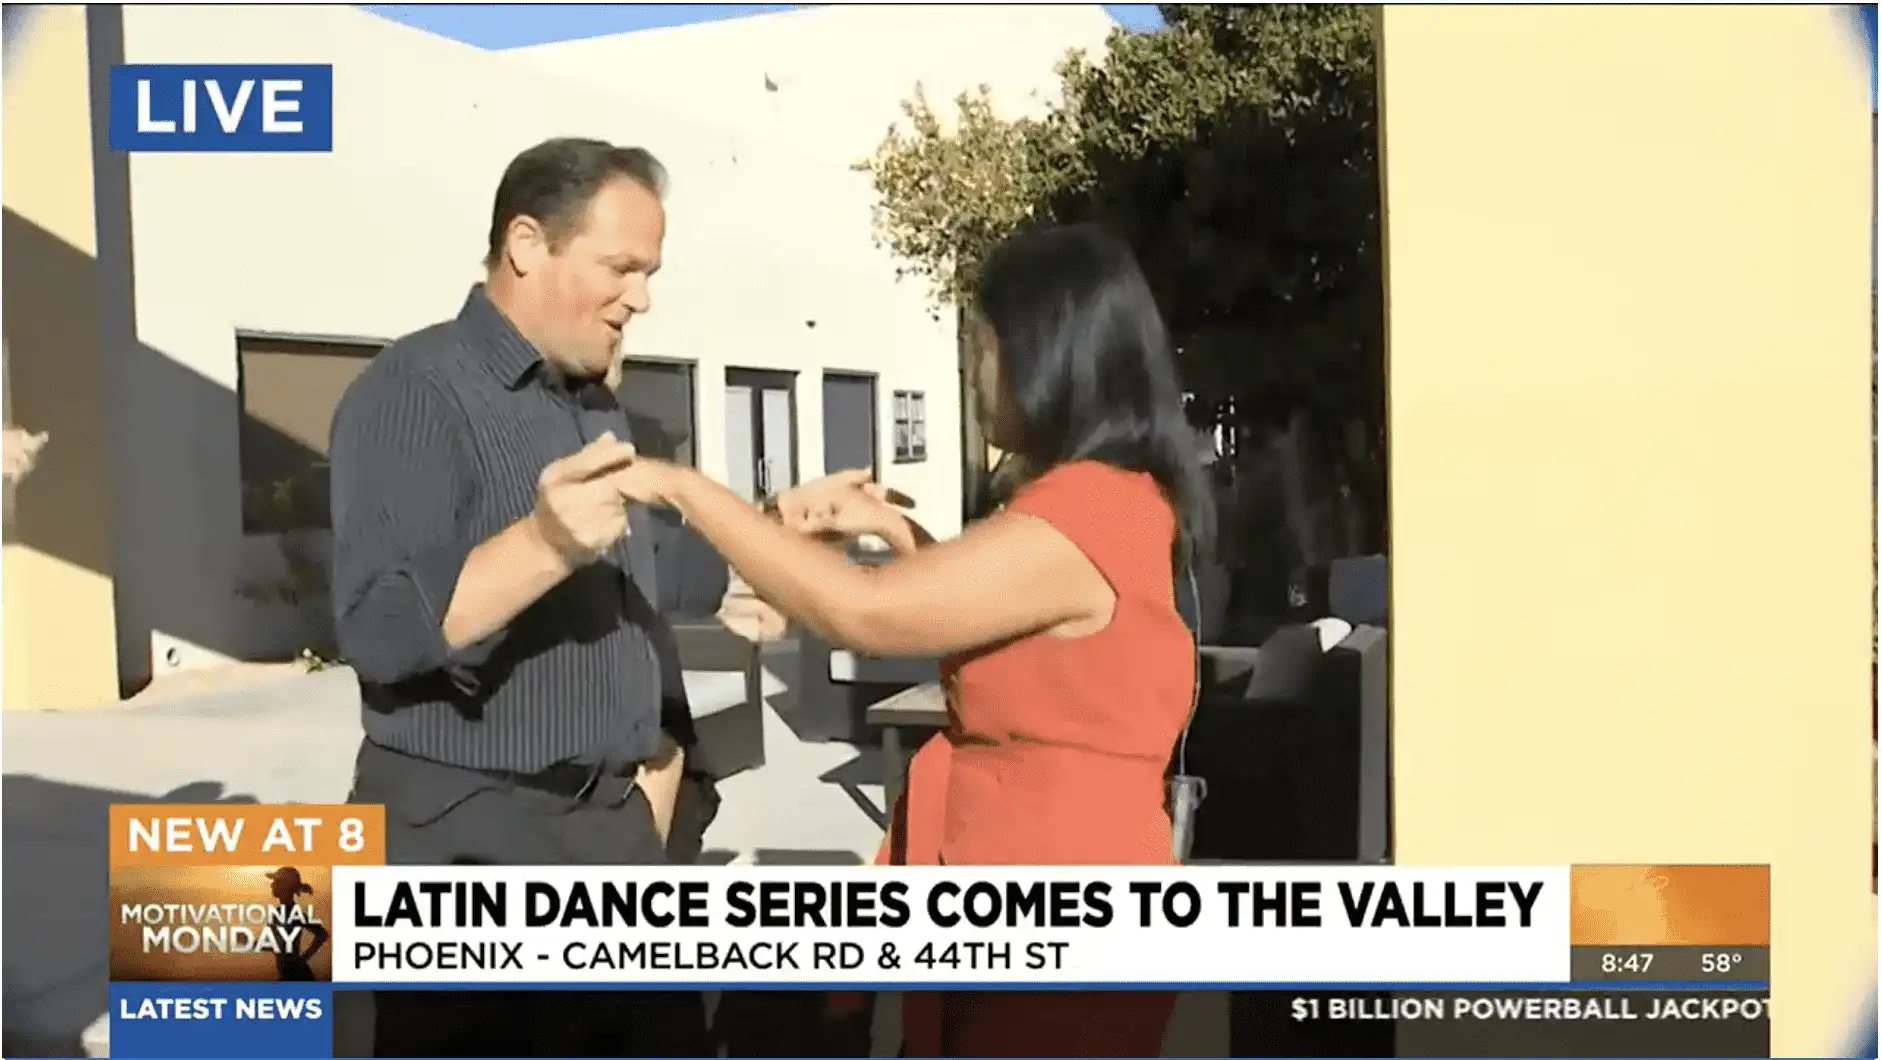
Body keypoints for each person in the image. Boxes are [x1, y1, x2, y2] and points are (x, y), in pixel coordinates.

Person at [605, 223, 1214, 1058]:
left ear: (1048, 353)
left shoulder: (1088, 509)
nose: (975, 371)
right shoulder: (1104, 501)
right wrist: (898, 533)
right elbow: (1008, 627)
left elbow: (869, 615)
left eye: (985, 346)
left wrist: (690, 492)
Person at [327, 137, 729, 1057]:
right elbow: (381, 629)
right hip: (472, 849)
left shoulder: (591, 399)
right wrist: (544, 542)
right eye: (621, 267)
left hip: (615, 841)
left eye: (652, 271)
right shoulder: (414, 388)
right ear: (526, 243)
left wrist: (780, 525)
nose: (644, 296)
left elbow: (649, 582)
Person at [263, 867, 328, 982]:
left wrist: (303, 959)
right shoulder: (278, 913)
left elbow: (322, 934)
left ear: (286, 886)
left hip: (297, 977)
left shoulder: (292, 913)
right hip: (290, 976)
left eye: (276, 881)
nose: (272, 885)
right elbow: (276, 946)